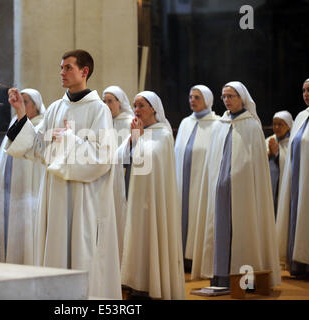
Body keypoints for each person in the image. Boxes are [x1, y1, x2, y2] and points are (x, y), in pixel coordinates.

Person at [4, 49, 121, 299]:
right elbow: (37, 148)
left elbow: (103, 158)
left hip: (83, 198)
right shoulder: (56, 108)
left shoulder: (99, 110)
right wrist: (21, 114)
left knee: (81, 252)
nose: (62, 73)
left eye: (68, 67)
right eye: (61, 68)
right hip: (54, 195)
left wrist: (68, 139)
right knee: (55, 252)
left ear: (84, 71)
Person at [191, 81, 281, 289]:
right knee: (218, 230)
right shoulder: (220, 125)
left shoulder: (252, 125)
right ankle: (220, 277)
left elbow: (255, 164)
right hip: (220, 192)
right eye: (224, 96)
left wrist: (238, 176)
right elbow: (212, 162)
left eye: (231, 96)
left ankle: (245, 282)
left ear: (242, 98)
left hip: (243, 192)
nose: (227, 100)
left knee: (244, 230)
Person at [119, 91, 185, 300]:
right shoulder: (137, 132)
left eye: (141, 106)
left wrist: (138, 141)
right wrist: (134, 139)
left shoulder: (163, 134)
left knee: (153, 238)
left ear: (154, 108)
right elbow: (120, 159)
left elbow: (152, 164)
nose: (136, 110)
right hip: (137, 199)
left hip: (154, 202)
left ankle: (153, 286)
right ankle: (137, 284)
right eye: (135, 106)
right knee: (137, 240)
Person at [0, 89, 46, 264]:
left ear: (36, 106)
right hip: (9, 190)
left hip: (28, 192)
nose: (22, 105)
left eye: (26, 102)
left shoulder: (40, 125)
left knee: (25, 231)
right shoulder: (15, 122)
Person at [276, 77, 309, 280]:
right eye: (304, 90)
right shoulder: (302, 117)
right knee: (297, 214)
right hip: (298, 179)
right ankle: (300, 264)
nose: (306, 94)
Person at [174, 85, 220, 271]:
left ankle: (196, 258)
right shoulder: (186, 122)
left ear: (207, 100)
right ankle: (180, 257)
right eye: (191, 96)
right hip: (182, 182)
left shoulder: (216, 124)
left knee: (197, 216)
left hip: (201, 182)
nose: (192, 100)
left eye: (197, 97)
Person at [102, 85, 134, 262]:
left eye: (110, 101)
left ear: (119, 103)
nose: (106, 105)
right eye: (104, 101)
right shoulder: (103, 122)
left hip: (124, 177)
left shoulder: (129, 121)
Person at [265, 111, 293, 218]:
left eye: (280, 124)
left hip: (284, 186)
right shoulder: (268, 140)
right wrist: (269, 153)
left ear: (288, 126)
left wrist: (277, 154)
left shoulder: (291, 142)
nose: (276, 127)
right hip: (270, 184)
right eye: (274, 124)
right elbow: (259, 163)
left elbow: (291, 165)